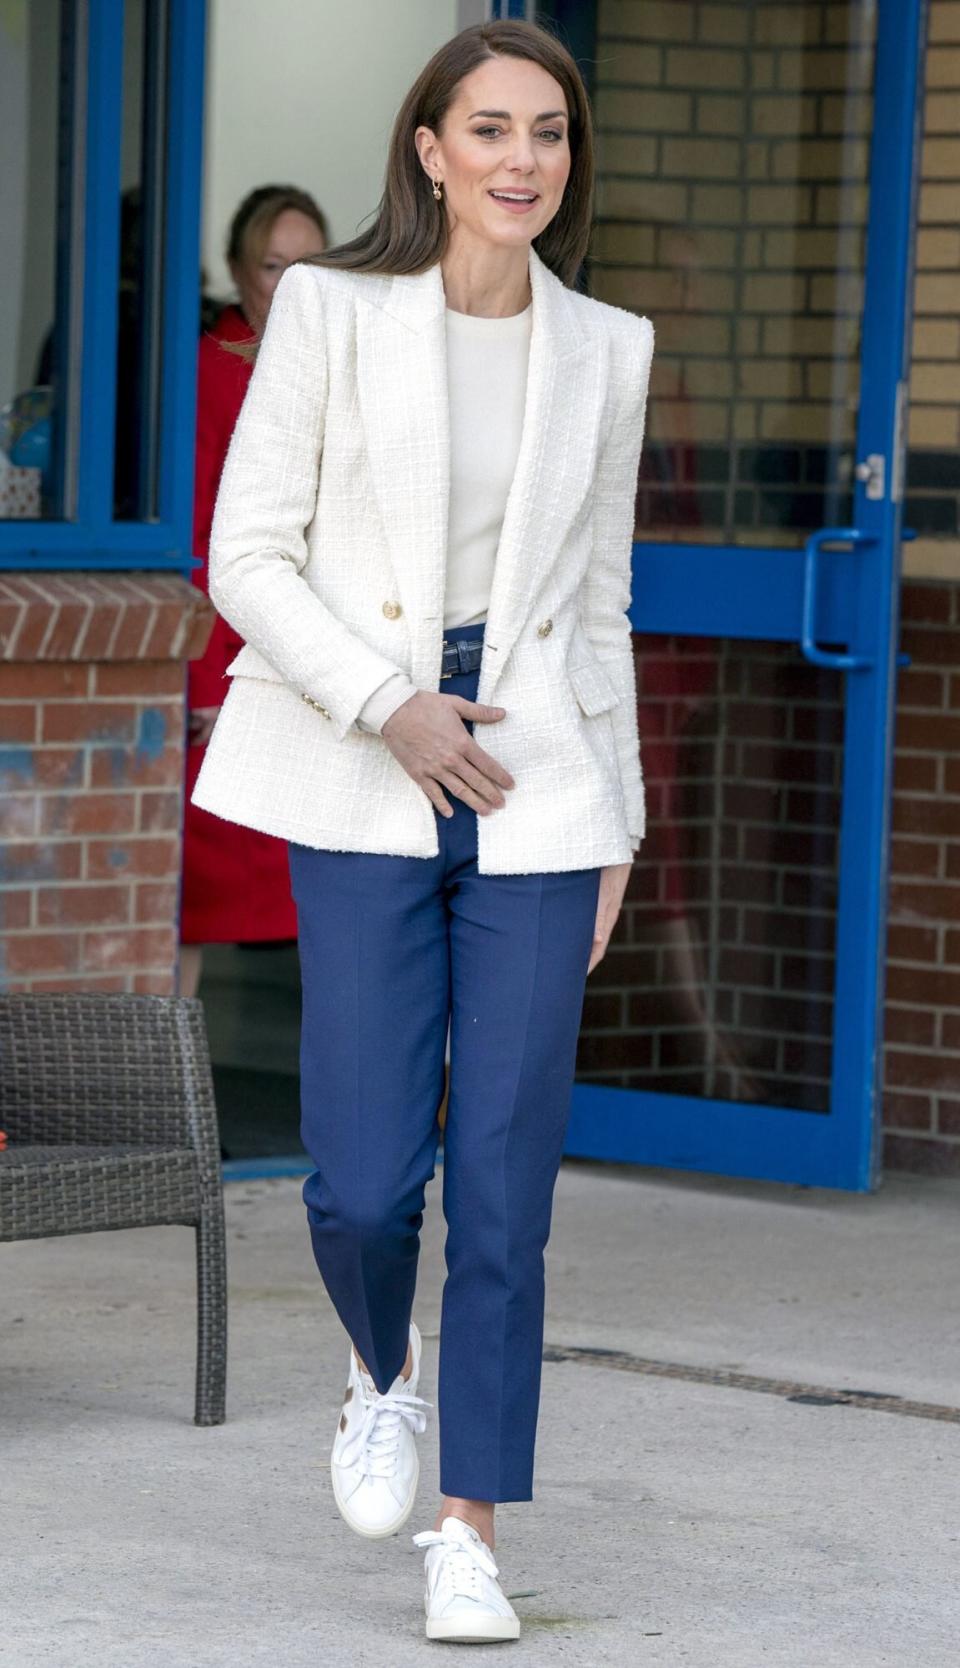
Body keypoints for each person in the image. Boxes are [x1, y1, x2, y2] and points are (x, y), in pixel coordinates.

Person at [191, 19, 653, 1644]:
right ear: (432, 149)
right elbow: (245, 555)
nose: (524, 157)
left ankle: (473, 1528)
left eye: (551, 133)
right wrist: (389, 700)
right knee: (370, 1180)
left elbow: (600, 612)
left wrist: (620, 830)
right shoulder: (328, 315)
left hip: (538, 785)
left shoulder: (606, 351)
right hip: (366, 762)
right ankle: (377, 1368)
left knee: (511, 1182)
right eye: (493, 129)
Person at [180, 188, 328, 999]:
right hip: (235, 665)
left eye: (308, 264)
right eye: (274, 265)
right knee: (195, 905)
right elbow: (196, 535)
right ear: (238, 271)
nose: (291, 282)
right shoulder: (208, 368)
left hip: (327, 668)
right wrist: (203, 677)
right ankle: (176, 1109)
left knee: (341, 901)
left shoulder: (346, 360)